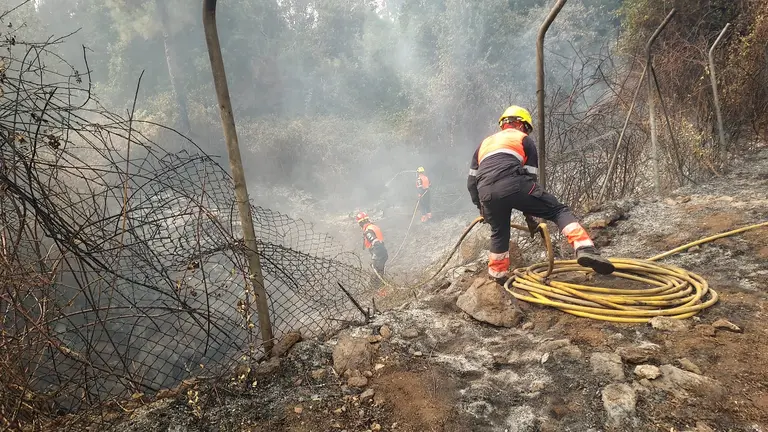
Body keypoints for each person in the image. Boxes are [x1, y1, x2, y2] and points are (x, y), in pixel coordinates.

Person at [467, 105, 615, 285]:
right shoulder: (523, 139)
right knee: (558, 211)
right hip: (514, 184)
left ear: (504, 124)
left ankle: (497, 276)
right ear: (522, 125)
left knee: (499, 232)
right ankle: (585, 249)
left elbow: (471, 183)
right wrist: (530, 214)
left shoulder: (483, 144)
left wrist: (483, 209)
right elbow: (530, 180)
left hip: (486, 193)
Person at [355, 211, 388, 278]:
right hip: (383, 253)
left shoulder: (368, 231)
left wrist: (375, 258)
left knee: (376, 277)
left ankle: (380, 287)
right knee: (380, 274)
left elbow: (377, 244)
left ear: (361, 223)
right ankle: (383, 286)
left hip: (379, 254)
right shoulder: (373, 227)